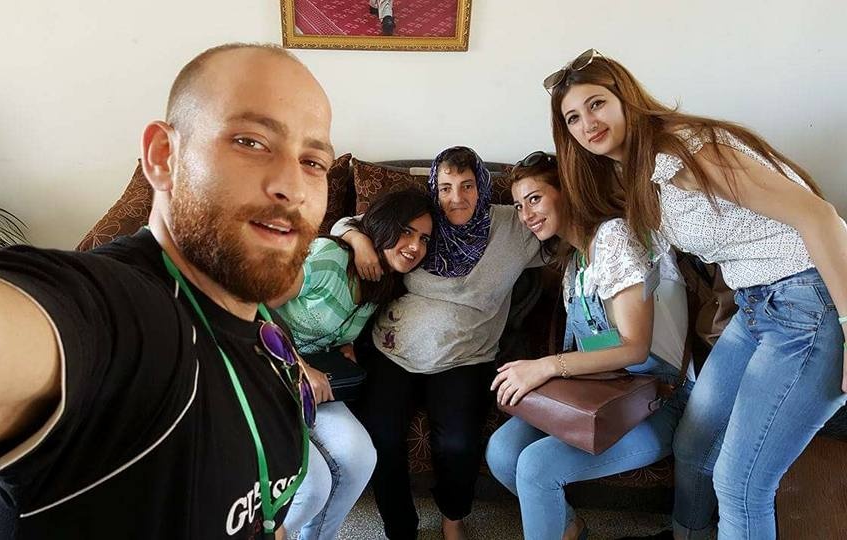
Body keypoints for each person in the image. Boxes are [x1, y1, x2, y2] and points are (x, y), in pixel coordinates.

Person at [0, 43, 336, 539]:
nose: (293, 186)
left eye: (314, 161)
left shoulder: (253, 315)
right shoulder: (131, 319)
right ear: (163, 156)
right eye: (251, 142)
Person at [546, 48, 847, 539]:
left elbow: (820, 217)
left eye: (596, 104)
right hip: (755, 305)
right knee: (694, 443)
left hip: (808, 304)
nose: (588, 124)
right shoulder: (639, 172)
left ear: (625, 99)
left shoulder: (686, 151)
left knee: (740, 485)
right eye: (573, 118)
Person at [334, 146, 544, 540]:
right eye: (446, 188)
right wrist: (359, 242)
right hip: (391, 350)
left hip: (466, 358)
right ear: (435, 189)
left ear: (483, 187)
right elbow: (346, 222)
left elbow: (558, 229)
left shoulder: (512, 227)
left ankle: (453, 518)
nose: (456, 198)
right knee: (381, 437)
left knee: (458, 443)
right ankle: (400, 529)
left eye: (467, 186)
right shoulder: (421, 221)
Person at [485, 151, 693, 540]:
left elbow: (634, 348)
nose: (526, 214)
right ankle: (570, 528)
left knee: (536, 467)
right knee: (501, 451)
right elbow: (596, 348)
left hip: (660, 399)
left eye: (534, 198)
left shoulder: (615, 236)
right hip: (608, 390)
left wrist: (546, 366)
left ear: (568, 191)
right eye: (518, 205)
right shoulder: (575, 263)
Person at [270, 189, 435, 539]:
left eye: (424, 239)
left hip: (318, 384)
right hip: (269, 370)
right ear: (384, 226)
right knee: (313, 486)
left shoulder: (382, 283)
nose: (415, 246)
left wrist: (344, 345)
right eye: (406, 231)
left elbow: (337, 325)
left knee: (361, 458)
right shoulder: (328, 257)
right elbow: (254, 306)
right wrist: (297, 364)